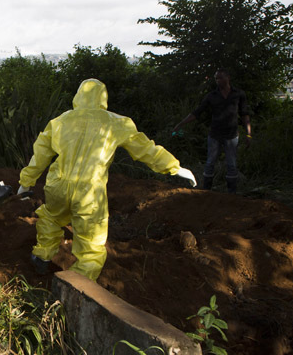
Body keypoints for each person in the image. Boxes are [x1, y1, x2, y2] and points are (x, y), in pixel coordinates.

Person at [17, 79, 196, 281]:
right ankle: (76, 287)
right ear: (103, 98)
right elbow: (146, 150)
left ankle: (41, 256)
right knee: (91, 246)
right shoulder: (116, 122)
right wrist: (175, 167)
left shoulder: (60, 121)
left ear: (78, 96)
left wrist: (26, 182)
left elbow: (40, 155)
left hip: (57, 185)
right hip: (89, 191)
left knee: (51, 217)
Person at [172, 68, 251, 193]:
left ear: (228, 78)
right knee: (210, 163)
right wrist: (181, 124)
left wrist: (249, 134)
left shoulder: (238, 94)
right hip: (215, 134)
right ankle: (206, 191)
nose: (218, 81)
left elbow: (244, 114)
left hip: (231, 135)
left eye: (220, 78)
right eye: (216, 78)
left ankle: (232, 194)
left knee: (231, 164)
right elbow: (197, 112)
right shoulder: (211, 96)